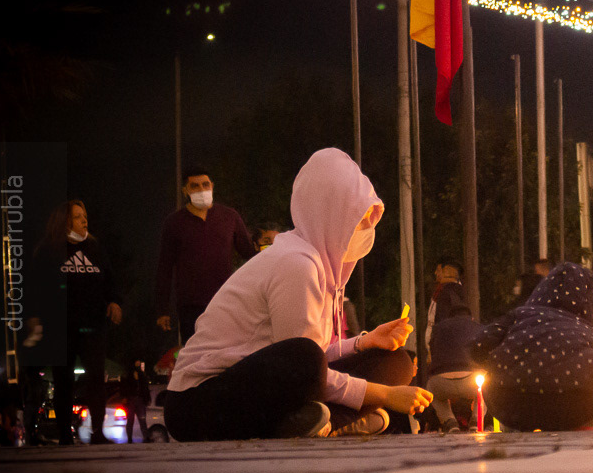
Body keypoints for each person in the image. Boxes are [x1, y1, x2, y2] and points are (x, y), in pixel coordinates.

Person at [163, 148, 431, 441]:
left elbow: (310, 356)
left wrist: (365, 342)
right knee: (306, 359)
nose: (366, 228)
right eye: (359, 218)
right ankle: (328, 421)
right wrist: (387, 395)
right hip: (198, 402)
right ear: (330, 213)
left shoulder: (319, 265)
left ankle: (317, 422)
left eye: (369, 219)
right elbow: (303, 364)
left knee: (396, 362)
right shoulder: (296, 263)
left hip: (259, 388)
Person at [471, 262, 593, 432]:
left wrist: (507, 365)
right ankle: (585, 424)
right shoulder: (591, 331)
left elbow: (477, 346)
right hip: (571, 409)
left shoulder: (520, 315)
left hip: (514, 407)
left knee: (491, 380)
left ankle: (514, 425)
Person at [26, 200, 123, 445]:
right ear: (64, 222)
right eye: (78, 217)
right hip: (61, 327)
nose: (84, 220)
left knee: (95, 378)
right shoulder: (48, 251)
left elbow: (110, 280)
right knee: (63, 380)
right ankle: (64, 435)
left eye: (85, 215)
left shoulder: (95, 248)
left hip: (93, 325)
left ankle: (97, 432)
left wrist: (114, 302)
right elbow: (35, 289)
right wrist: (36, 318)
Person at [155, 165, 257, 343]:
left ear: (212, 186)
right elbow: (164, 268)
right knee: (196, 355)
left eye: (205, 184)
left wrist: (272, 248)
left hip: (225, 301)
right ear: (185, 190)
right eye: (195, 186)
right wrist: (162, 310)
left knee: (226, 351)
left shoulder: (229, 217)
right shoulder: (174, 223)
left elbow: (249, 253)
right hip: (190, 306)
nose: (202, 189)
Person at [425, 286, 484, 433]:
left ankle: (449, 421)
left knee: (432, 390)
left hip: (442, 381)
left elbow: (431, 351)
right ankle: (476, 421)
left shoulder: (440, 327)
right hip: (471, 379)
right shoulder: (477, 326)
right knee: (487, 388)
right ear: (470, 317)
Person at [425, 257, 464, 350]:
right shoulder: (441, 291)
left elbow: (443, 323)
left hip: (444, 349)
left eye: (439, 271)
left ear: (448, 272)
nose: (435, 273)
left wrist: (436, 346)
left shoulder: (449, 293)